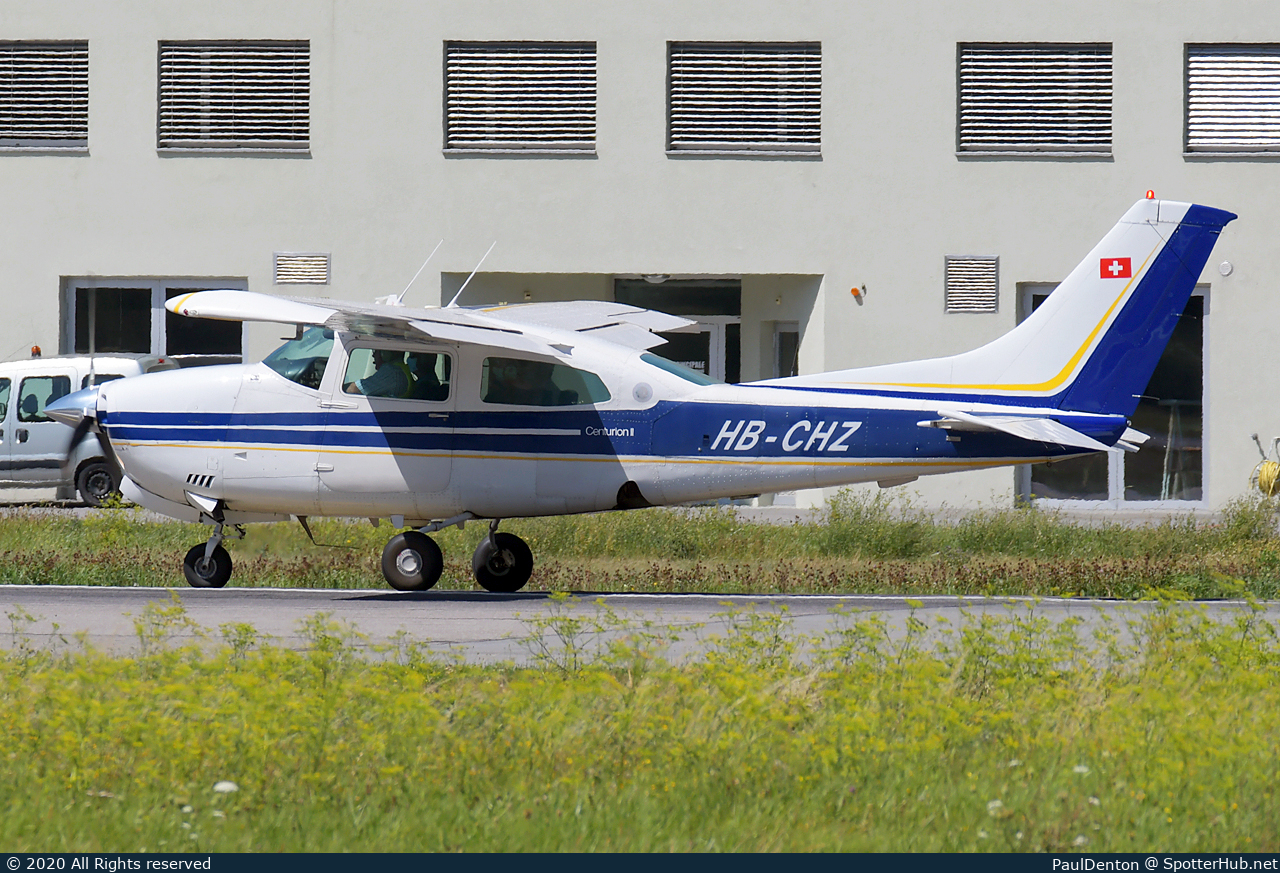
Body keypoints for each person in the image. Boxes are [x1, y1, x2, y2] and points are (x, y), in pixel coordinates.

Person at [345, 349, 413, 398]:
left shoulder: (391, 372)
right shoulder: (400, 368)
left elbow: (355, 389)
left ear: (385, 354)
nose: (373, 355)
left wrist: (341, 388)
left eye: (375, 351)